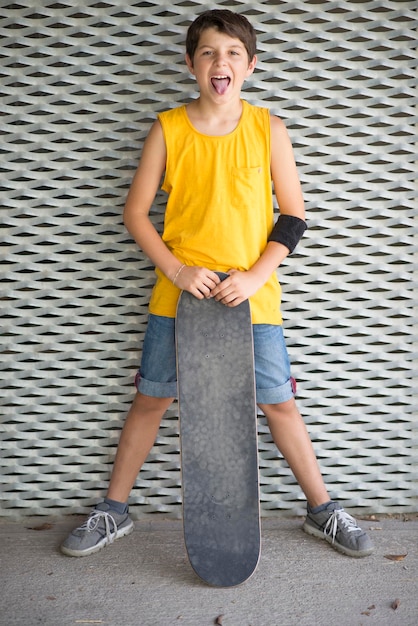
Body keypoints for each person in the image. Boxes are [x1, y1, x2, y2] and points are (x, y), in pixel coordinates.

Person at [61, 9, 373, 559]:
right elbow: (135, 214)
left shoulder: (268, 128)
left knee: (278, 404)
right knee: (152, 399)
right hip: (178, 298)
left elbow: (293, 217)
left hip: (251, 300)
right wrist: (178, 270)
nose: (219, 62)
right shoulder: (168, 128)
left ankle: (323, 509)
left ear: (250, 66)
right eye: (207, 52)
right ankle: (113, 510)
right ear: (190, 64)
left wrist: (255, 276)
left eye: (232, 53)